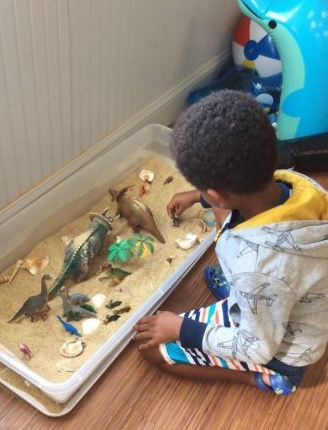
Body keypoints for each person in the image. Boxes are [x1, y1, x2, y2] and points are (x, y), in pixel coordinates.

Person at [133, 90, 328, 395]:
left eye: (202, 189)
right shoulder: (302, 186)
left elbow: (257, 347)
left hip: (281, 350)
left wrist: (179, 329)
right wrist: (200, 197)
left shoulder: (257, 270)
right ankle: (251, 301)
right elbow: (234, 201)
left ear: (218, 193)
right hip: (283, 293)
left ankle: (266, 379)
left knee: (151, 350)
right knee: (254, 281)